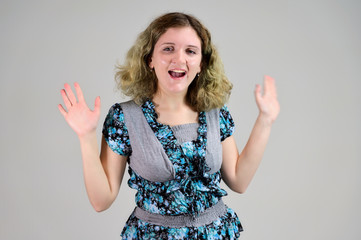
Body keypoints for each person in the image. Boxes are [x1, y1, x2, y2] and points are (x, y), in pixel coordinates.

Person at [58, 12, 280, 239]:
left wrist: (265, 120)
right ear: (149, 59)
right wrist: (86, 137)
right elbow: (101, 200)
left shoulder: (215, 114)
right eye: (168, 49)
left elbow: (239, 180)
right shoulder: (124, 118)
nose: (179, 59)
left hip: (216, 233)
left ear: (201, 63)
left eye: (190, 51)